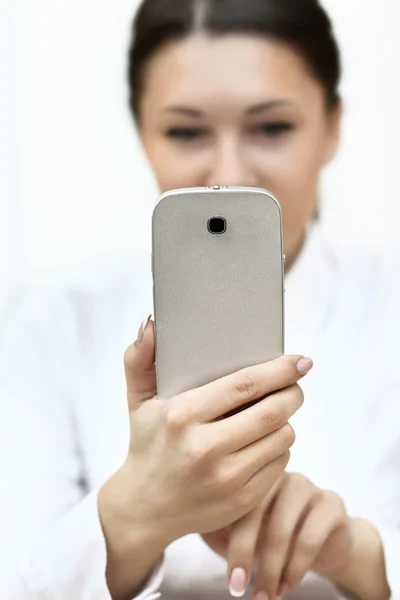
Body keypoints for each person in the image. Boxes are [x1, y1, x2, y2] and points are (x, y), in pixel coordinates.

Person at [0, 0, 398, 599]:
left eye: (272, 127)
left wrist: (362, 557)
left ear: (333, 125)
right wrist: (129, 520)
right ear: (142, 131)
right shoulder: (50, 331)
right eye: (185, 131)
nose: (230, 171)